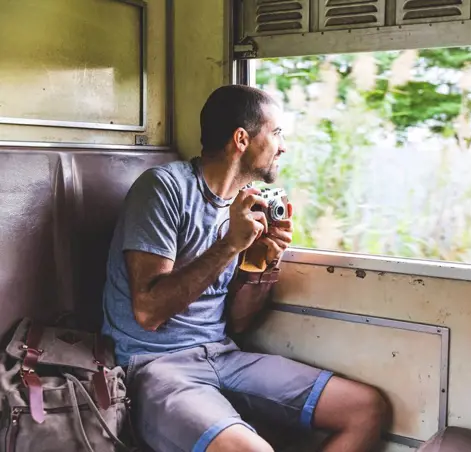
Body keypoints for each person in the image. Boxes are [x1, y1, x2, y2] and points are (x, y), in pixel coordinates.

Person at [101, 85, 388, 452]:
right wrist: (230, 245)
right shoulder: (163, 189)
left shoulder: (243, 205)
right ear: (241, 139)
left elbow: (238, 323)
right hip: (155, 365)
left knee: (365, 409)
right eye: (276, 133)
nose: (282, 146)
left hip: (221, 353)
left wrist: (263, 261)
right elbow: (148, 311)